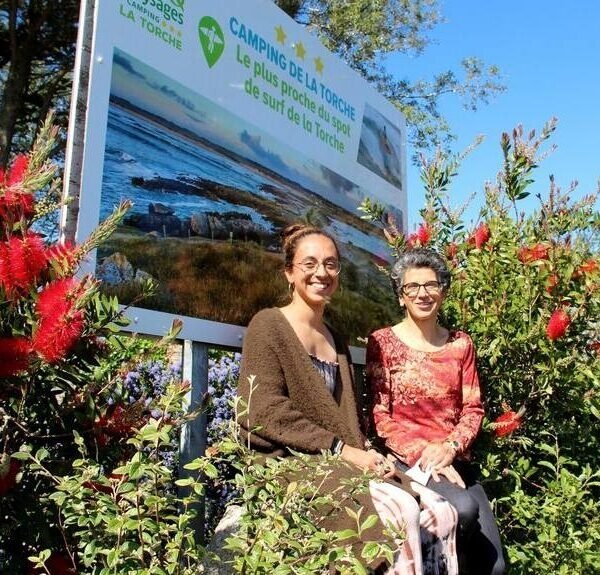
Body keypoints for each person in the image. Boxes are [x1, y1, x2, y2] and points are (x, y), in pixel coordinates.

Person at [238, 224, 459, 574]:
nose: (321, 273)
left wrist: (365, 451)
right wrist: (341, 449)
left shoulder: (335, 339)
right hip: (290, 461)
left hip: (336, 457)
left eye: (331, 264)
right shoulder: (268, 325)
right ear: (289, 273)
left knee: (440, 510)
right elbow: (261, 409)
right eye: (309, 264)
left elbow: (345, 417)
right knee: (400, 511)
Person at [367, 248, 506, 575]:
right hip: (409, 461)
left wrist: (449, 447)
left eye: (431, 285)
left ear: (443, 291)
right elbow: (379, 415)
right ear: (401, 296)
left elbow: (473, 407)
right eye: (412, 287)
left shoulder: (461, 344)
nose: (422, 293)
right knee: (463, 512)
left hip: (453, 458)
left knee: (495, 566)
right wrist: (424, 455)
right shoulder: (382, 342)